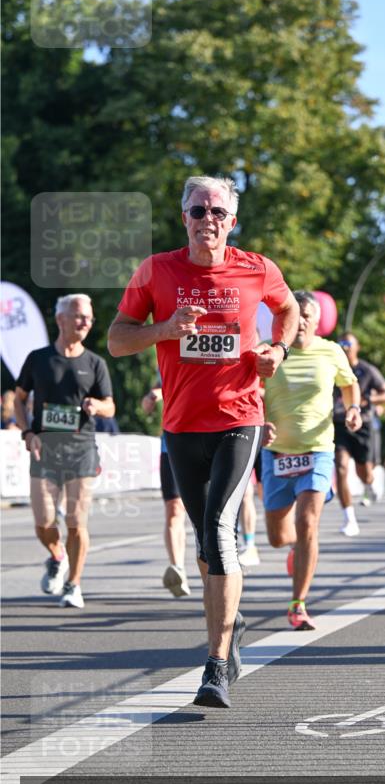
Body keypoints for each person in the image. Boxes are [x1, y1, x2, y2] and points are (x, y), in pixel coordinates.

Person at [108, 174, 299, 708]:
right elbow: (118, 340)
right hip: (181, 425)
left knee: (218, 530)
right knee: (206, 543)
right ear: (184, 218)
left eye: (217, 212)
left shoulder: (258, 268)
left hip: (240, 418)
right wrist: (165, 329)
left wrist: (278, 351)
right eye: (198, 211)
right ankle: (229, 621)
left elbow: (288, 310)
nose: (207, 220)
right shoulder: (156, 270)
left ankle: (216, 665)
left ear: (232, 222)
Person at [262, 291, 361, 629]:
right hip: (276, 453)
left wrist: (353, 409)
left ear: (317, 321)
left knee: (307, 523)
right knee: (278, 537)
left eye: (307, 315)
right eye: (295, 314)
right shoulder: (268, 351)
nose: (301, 321)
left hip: (317, 450)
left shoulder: (331, 351)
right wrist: (261, 422)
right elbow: (249, 390)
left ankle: (298, 604)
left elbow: (349, 384)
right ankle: (298, 548)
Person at [14, 293, 115, 609]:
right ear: (61, 319)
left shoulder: (95, 363)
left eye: (89, 318)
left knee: (75, 521)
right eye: (80, 316)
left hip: (81, 450)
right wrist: (28, 432)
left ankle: (74, 585)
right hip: (44, 450)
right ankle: (57, 555)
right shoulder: (38, 359)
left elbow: (110, 407)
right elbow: (19, 399)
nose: (86, 322)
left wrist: (97, 405)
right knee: (44, 522)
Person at [333, 332, 385, 536]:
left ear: (357, 347)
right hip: (338, 424)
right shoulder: (332, 367)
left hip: (362, 424)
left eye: (349, 344)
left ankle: (369, 483)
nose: (345, 347)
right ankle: (349, 518)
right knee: (341, 467)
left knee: (364, 472)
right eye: (341, 344)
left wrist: (367, 399)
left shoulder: (367, 370)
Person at [141, 384, 191, 597]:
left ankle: (216, 570)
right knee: (174, 509)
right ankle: (177, 568)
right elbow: (147, 404)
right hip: (171, 445)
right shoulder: (164, 367)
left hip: (205, 441)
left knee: (205, 512)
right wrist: (151, 398)